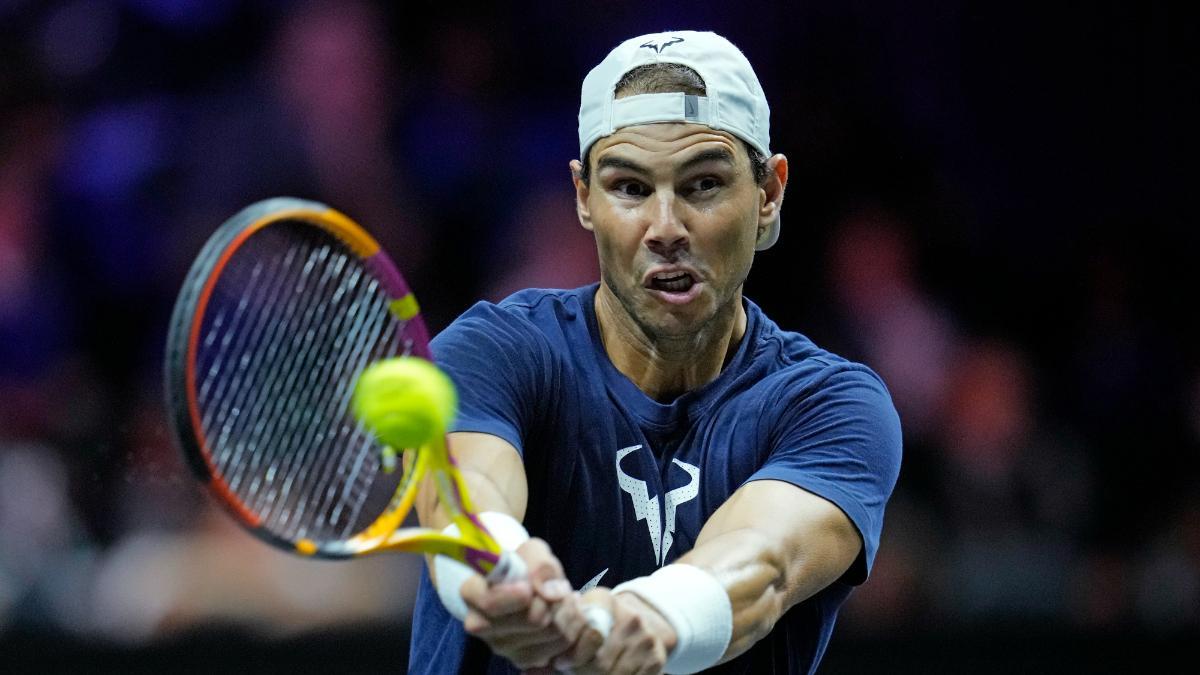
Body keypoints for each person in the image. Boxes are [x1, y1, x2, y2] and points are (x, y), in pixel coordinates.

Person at [409, 30, 902, 674]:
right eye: (630, 188)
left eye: (702, 184)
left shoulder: (832, 406)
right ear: (584, 198)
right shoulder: (493, 352)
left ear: (769, 194)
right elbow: (465, 492)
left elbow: (767, 562)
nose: (665, 228)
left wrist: (651, 618)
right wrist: (499, 567)